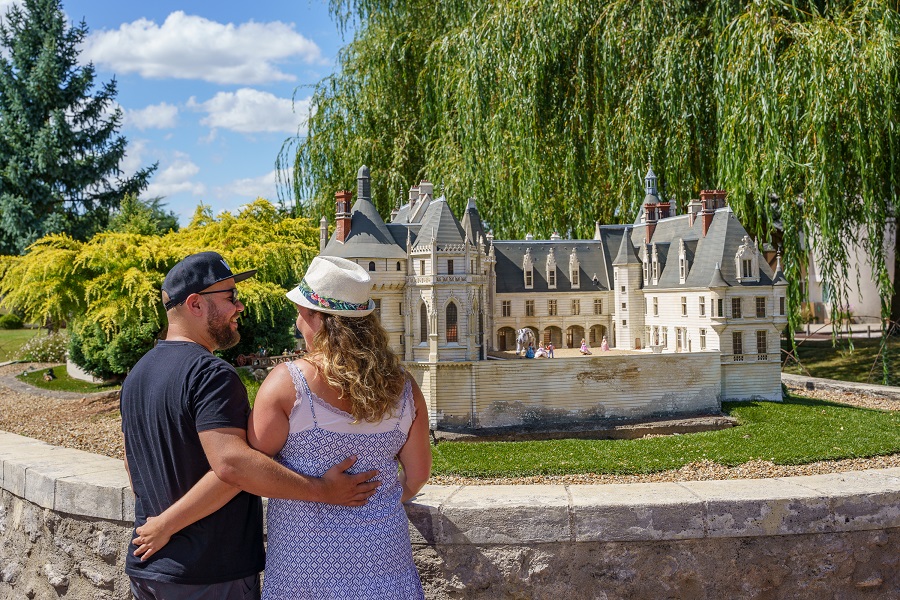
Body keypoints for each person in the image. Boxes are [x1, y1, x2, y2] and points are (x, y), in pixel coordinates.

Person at [121, 252, 380, 600]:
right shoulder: (210, 375)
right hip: (208, 572)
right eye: (230, 297)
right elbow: (233, 465)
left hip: (150, 569)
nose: (240, 307)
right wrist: (323, 491)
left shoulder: (137, 374)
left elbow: (131, 461)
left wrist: (162, 524)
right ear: (195, 305)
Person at [249, 255, 431, 599]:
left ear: (319, 319)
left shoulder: (287, 385)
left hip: (305, 570)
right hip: (385, 566)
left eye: (302, 312)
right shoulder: (405, 388)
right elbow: (418, 474)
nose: (298, 322)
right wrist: (378, 502)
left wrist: (318, 492)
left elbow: (251, 469)